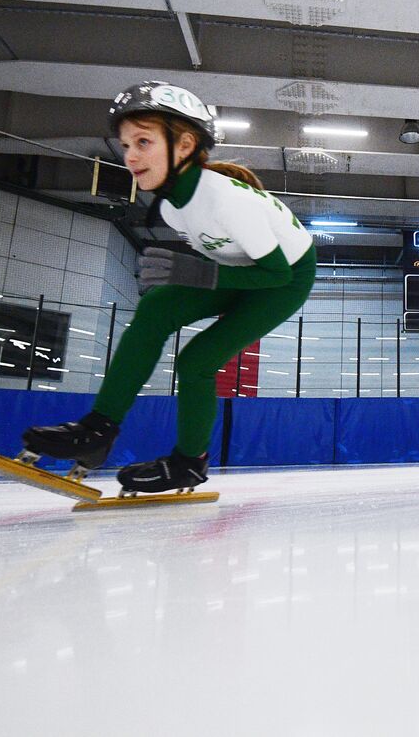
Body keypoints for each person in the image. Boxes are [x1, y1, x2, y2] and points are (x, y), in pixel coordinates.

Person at [20, 81, 316, 494]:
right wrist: (198, 275)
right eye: (125, 145)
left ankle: (189, 463)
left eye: (143, 141)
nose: (130, 157)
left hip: (285, 279)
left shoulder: (229, 202)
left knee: (197, 362)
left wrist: (197, 274)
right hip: (241, 268)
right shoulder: (172, 209)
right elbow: (226, 262)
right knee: (156, 307)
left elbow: (277, 275)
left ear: (184, 145)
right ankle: (97, 431)